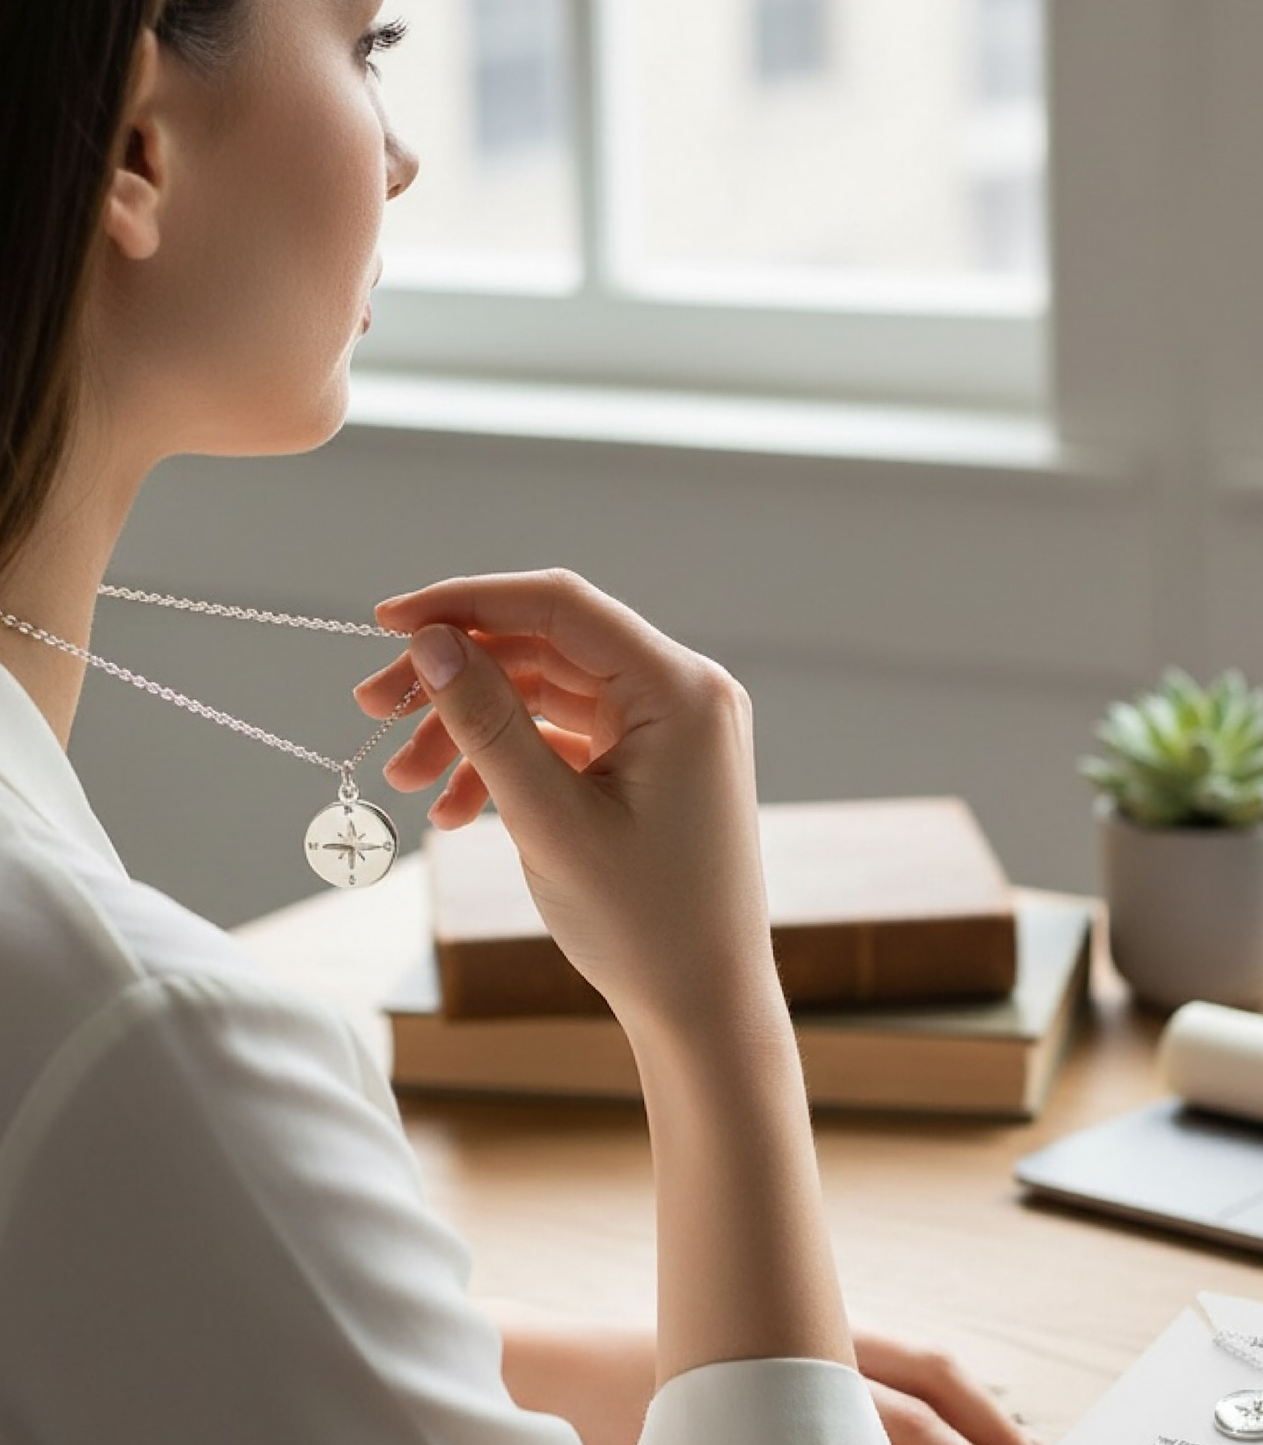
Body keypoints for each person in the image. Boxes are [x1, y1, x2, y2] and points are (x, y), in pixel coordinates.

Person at [0, 3, 1038, 1442]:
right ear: (136, 144)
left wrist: (613, 1366)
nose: (407, 157)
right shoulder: (148, 1041)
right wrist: (709, 1009)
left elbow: (107, 1293)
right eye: (371, 45)